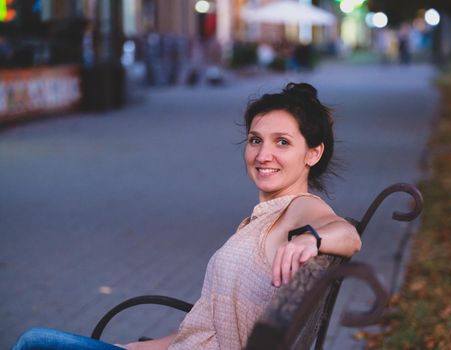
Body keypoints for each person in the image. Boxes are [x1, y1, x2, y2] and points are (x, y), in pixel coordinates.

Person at [11, 82, 361, 350]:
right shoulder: (264, 218)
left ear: (313, 154)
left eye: (282, 142)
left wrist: (311, 238)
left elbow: (345, 232)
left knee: (33, 342)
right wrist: (136, 347)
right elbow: (206, 324)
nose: (263, 154)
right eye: (256, 140)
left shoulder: (298, 208)